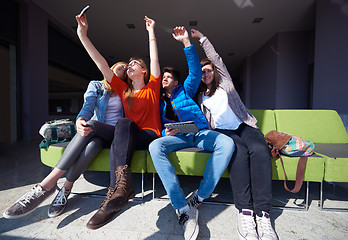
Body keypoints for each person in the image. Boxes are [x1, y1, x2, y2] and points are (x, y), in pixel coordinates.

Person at [3, 61, 128, 219]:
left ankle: (46, 184)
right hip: (96, 134)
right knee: (92, 146)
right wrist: (80, 119)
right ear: (110, 69)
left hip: (113, 134)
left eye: (126, 69)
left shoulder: (126, 91)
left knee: (90, 125)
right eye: (120, 66)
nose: (123, 69)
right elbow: (88, 105)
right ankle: (65, 189)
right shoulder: (97, 86)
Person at [75, 14, 161, 229]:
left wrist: (151, 32)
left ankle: (115, 193)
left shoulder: (153, 86)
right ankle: (117, 195)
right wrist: (82, 35)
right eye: (128, 64)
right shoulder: (124, 90)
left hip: (148, 134)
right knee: (108, 127)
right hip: (126, 135)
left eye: (135, 64)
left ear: (144, 71)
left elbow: (155, 59)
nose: (130, 65)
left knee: (123, 123)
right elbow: (101, 63)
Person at [148, 26, 235, 240]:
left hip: (197, 133)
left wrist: (187, 42)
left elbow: (195, 70)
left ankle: (200, 195)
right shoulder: (158, 102)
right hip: (176, 137)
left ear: (176, 82)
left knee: (226, 143)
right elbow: (158, 124)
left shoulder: (184, 90)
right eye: (164, 77)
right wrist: (166, 130)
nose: (165, 79)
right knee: (154, 145)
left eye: (169, 77)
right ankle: (181, 206)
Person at [191, 29, 278, 240]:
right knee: (238, 155)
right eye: (203, 72)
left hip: (244, 126)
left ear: (215, 72)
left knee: (259, 150)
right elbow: (200, 120)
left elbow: (216, 58)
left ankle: (263, 214)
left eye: (209, 70)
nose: (206, 74)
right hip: (223, 133)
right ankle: (245, 212)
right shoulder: (201, 96)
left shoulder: (226, 84)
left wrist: (203, 39)